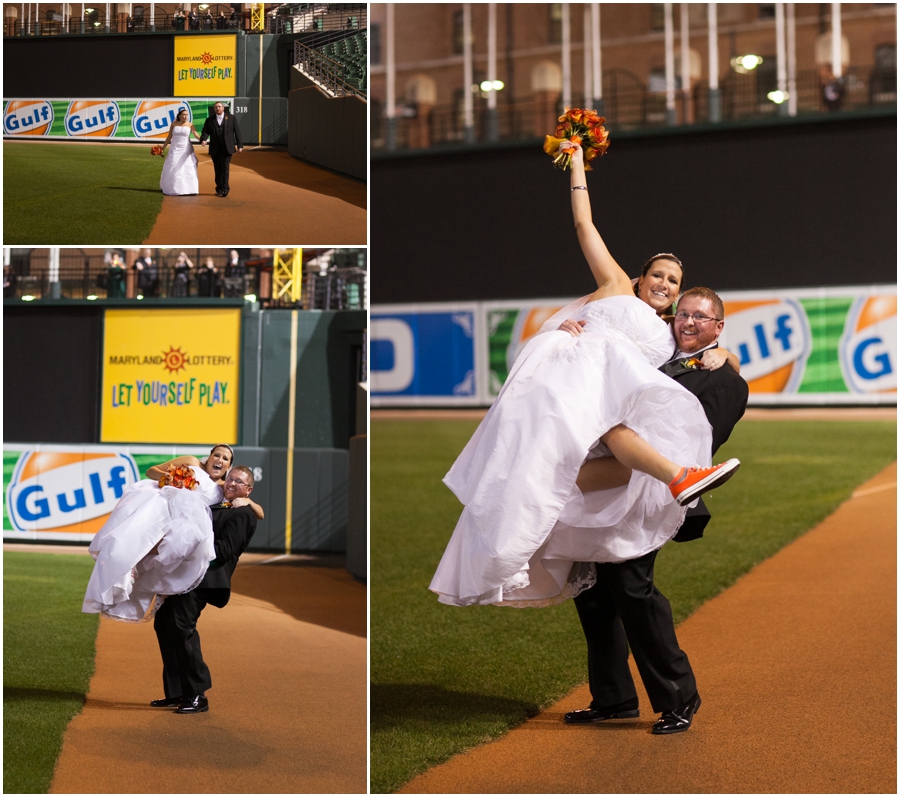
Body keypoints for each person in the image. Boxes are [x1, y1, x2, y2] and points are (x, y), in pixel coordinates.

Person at [429, 141, 739, 608]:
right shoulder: (616, 288)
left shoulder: (670, 333)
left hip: (601, 404)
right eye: (658, 275)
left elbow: (708, 348)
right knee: (573, 457)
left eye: (673, 281)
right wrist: (577, 163)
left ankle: (546, 538)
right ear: (638, 277)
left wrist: (726, 355)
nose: (664, 284)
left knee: (568, 477)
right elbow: (584, 225)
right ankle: (678, 477)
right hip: (570, 388)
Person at [565, 286, 749, 735]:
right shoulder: (656, 353)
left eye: (700, 318)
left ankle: (679, 697)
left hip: (652, 492)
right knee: (593, 592)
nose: (687, 322)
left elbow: (698, 441)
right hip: (608, 486)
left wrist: (727, 358)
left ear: (718, 328)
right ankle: (613, 699)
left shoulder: (726, 380)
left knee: (633, 588)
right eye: (682, 314)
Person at [82, 445, 263, 624]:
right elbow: (151, 471)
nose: (219, 460)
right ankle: (127, 565)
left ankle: (150, 578)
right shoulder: (191, 462)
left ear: (228, 466)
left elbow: (260, 513)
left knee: (176, 547)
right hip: (162, 505)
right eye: (217, 455)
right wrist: (171, 479)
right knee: (137, 539)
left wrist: (247, 501)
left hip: (184, 520)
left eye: (225, 459)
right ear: (209, 458)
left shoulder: (224, 485)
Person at [151, 465, 259, 714]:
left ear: (248, 490)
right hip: (187, 575)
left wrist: (189, 544)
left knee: (181, 626)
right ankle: (178, 692)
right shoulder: (216, 506)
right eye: (230, 479)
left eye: (239, 482)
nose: (231, 484)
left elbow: (222, 552)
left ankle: (198, 694)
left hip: (205, 579)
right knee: (165, 624)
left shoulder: (243, 514)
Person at [199, 102, 243, 198]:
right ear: (214, 109)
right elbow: (205, 131)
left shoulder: (231, 118)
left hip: (227, 148)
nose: (217, 108)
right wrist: (204, 139)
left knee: (225, 168)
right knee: (217, 169)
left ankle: (225, 189)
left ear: (223, 108)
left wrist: (240, 145)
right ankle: (218, 189)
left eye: (219, 106)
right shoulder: (209, 120)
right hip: (215, 148)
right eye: (215, 107)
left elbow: (237, 131)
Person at [159, 109, 201, 196]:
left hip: (186, 149)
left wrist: (202, 139)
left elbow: (196, 134)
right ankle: (171, 188)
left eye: (187, 115)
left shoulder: (190, 125)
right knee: (173, 165)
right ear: (179, 116)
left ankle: (189, 189)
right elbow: (169, 137)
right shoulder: (174, 124)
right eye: (183, 115)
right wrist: (162, 148)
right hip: (175, 148)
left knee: (188, 167)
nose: (185, 116)